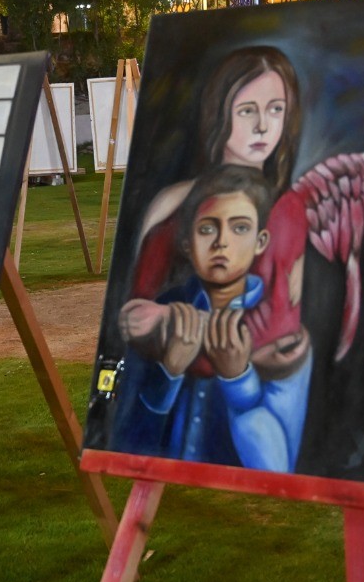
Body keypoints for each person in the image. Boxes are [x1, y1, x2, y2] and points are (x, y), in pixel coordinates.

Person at [120, 46, 309, 373]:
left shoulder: (289, 210)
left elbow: (281, 327)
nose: (263, 126)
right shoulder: (175, 203)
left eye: (276, 109)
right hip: (176, 379)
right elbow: (134, 317)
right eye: (247, 111)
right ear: (219, 112)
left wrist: (174, 319)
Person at [112, 166, 311, 473]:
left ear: (261, 242)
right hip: (174, 487)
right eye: (207, 229)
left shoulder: (281, 334)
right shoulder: (160, 314)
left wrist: (238, 380)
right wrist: (169, 372)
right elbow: (125, 445)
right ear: (187, 244)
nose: (221, 242)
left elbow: (276, 468)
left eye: (240, 228)